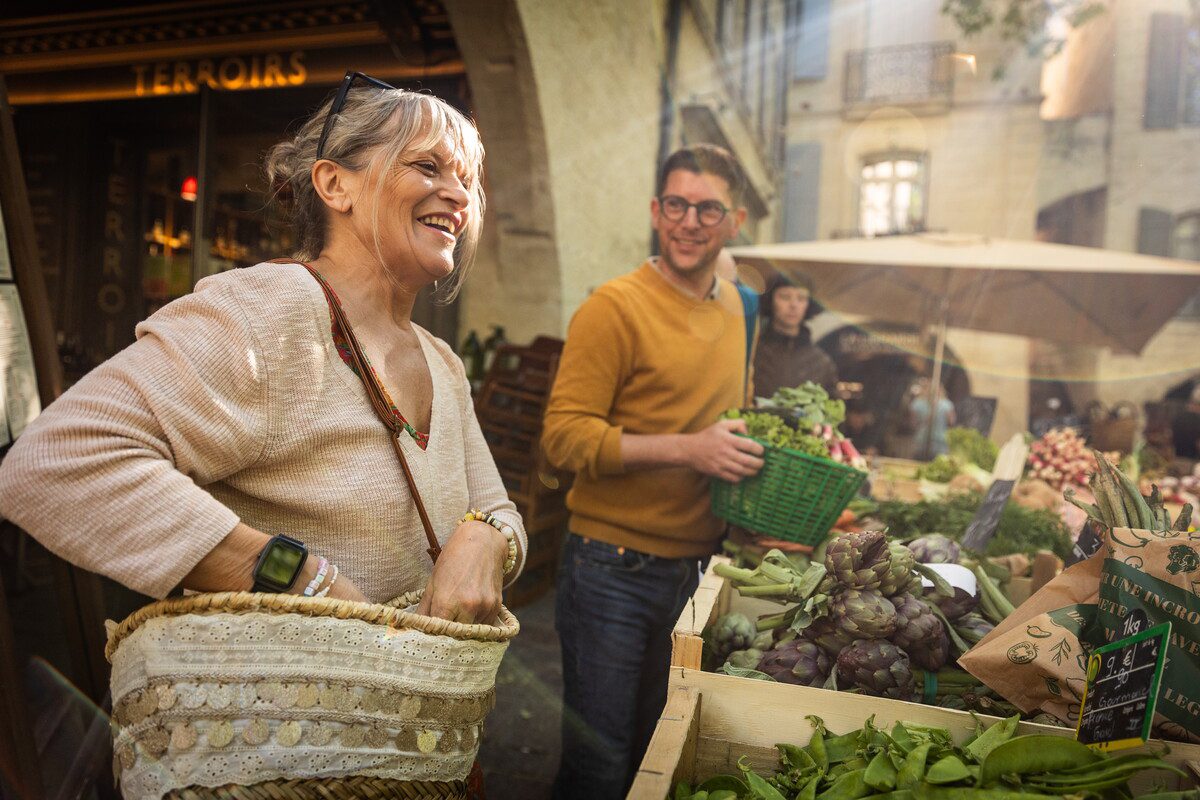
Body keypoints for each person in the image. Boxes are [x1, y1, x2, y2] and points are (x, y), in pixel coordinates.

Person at [0, 77, 526, 626]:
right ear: (335, 185)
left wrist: (488, 540)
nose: (461, 196)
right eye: (427, 167)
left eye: (466, 180)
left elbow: (499, 510)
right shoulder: (269, 310)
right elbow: (56, 460)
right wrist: (298, 577)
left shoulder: (442, 360)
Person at [542, 144, 764, 800]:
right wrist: (688, 449)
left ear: (735, 221)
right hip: (609, 570)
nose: (688, 221)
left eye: (707, 208)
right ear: (654, 211)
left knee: (655, 759)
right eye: (676, 204)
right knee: (600, 769)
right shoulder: (613, 307)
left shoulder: (740, 309)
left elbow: (733, 417)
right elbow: (563, 438)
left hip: (699, 572)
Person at [752, 271, 838, 398]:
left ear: (809, 305)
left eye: (801, 298)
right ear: (770, 300)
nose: (793, 305)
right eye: (785, 297)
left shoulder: (821, 363)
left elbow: (830, 411)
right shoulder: (753, 353)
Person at [909, 377, 956, 459]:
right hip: (933, 443)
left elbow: (913, 424)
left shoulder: (917, 404)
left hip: (927, 442)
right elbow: (951, 422)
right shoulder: (946, 405)